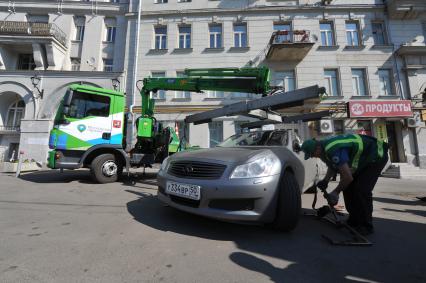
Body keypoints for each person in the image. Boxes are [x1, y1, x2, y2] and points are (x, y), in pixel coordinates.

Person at [301, 134, 389, 235]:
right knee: (348, 188)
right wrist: (325, 181)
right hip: (364, 159)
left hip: (376, 156)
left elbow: (347, 177)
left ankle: (366, 226)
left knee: (362, 190)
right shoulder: (323, 150)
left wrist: (335, 192)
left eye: (312, 154)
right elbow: (332, 165)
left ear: (317, 148)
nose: (313, 156)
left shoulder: (332, 149)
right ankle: (354, 220)